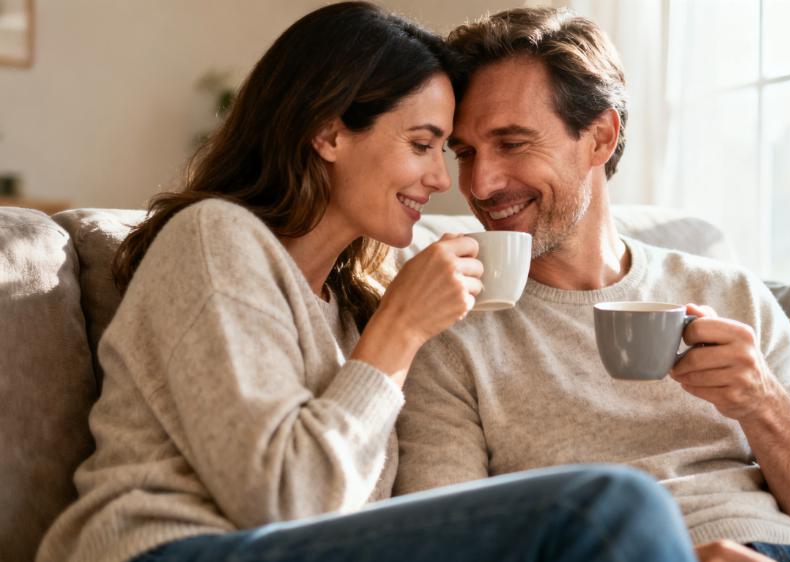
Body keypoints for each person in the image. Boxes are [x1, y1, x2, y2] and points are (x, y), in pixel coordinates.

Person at [34, 4, 702, 562]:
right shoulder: (215, 240)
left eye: (445, 153)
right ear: (328, 131)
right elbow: (285, 500)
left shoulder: (349, 305)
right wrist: (400, 329)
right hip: (171, 549)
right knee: (609, 508)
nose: (446, 183)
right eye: (423, 145)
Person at [393, 7, 790, 562]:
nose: (479, 184)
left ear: (600, 137)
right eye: (466, 152)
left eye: (512, 143)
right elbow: (451, 545)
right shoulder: (450, 331)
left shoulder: (729, 295)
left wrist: (763, 405)